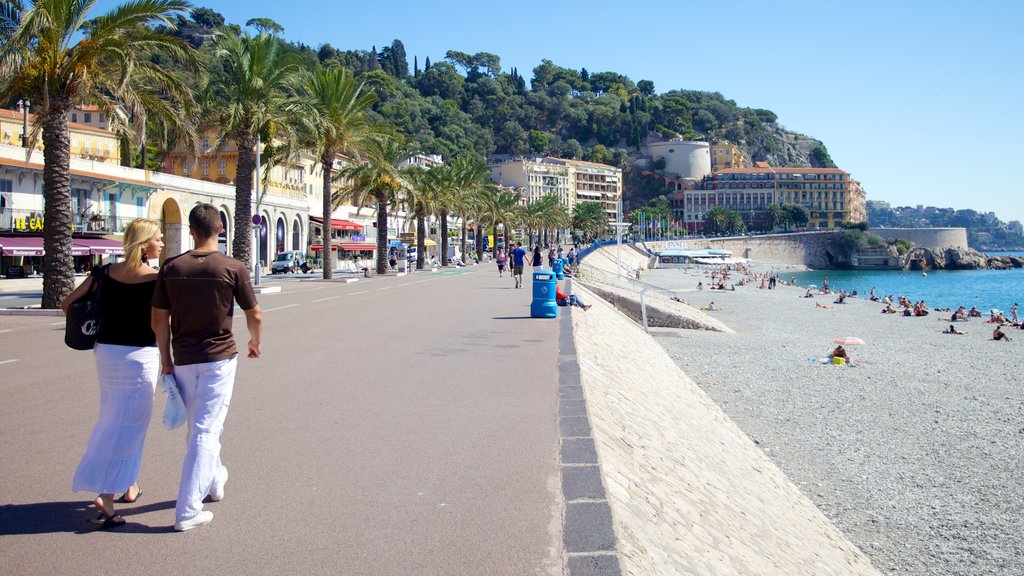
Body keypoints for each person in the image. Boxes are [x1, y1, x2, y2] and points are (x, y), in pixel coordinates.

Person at [152, 204, 263, 532]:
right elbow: (254, 314)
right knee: (205, 431)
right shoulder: (232, 267)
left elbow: (159, 319)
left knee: (198, 429)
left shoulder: (172, 267)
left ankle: (214, 482)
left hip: (184, 359)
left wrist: (165, 361)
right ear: (220, 229)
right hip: (218, 359)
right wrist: (255, 342)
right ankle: (187, 509)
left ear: (191, 230)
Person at [61, 219, 164, 529]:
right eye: (158, 239)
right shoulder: (156, 279)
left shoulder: (103, 273)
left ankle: (129, 484)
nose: (161, 243)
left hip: (106, 353)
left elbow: (68, 303)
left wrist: (97, 321)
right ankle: (106, 495)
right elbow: (162, 324)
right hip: (140, 357)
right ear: (145, 244)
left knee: (113, 415)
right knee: (129, 425)